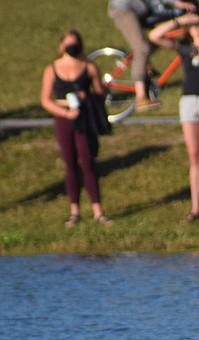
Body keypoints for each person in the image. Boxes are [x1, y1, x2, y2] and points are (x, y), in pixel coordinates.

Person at [149, 13, 199, 225]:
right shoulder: (185, 47)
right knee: (194, 156)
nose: (197, 26)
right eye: (193, 24)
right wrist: (181, 21)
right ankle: (195, 209)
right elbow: (155, 36)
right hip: (188, 102)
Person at [40, 29, 113, 228]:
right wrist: (64, 111)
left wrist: (86, 98)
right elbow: (45, 100)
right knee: (70, 163)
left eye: (75, 43)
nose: (72, 46)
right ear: (61, 45)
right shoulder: (52, 69)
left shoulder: (89, 67)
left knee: (88, 162)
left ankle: (98, 211)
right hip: (64, 119)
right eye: (68, 43)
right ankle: (74, 211)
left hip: (84, 119)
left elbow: (100, 93)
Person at [108, 0, 199, 111]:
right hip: (124, 9)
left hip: (143, 9)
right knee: (142, 49)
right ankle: (141, 97)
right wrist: (176, 3)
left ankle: (143, 63)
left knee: (162, 34)